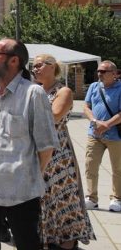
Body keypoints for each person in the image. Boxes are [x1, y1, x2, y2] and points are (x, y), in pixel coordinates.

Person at [0, 39, 58, 250]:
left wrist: (25, 175)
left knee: (27, 244)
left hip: (21, 192)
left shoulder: (33, 94)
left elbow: (46, 147)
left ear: (14, 61)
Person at [32, 54, 95, 249]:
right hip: (37, 152)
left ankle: (67, 241)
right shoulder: (35, 90)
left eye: (39, 65)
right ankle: (47, 238)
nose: (35, 69)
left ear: (53, 67)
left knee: (63, 199)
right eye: (33, 66)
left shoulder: (63, 91)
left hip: (58, 156)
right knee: (43, 198)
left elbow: (54, 117)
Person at [82, 60, 121, 212]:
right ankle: (91, 198)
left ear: (114, 73)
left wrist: (106, 125)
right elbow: (86, 106)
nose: (99, 74)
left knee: (118, 168)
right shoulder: (93, 86)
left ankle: (116, 199)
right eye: (98, 71)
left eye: (103, 71)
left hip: (115, 135)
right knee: (90, 165)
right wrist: (94, 121)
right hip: (95, 134)